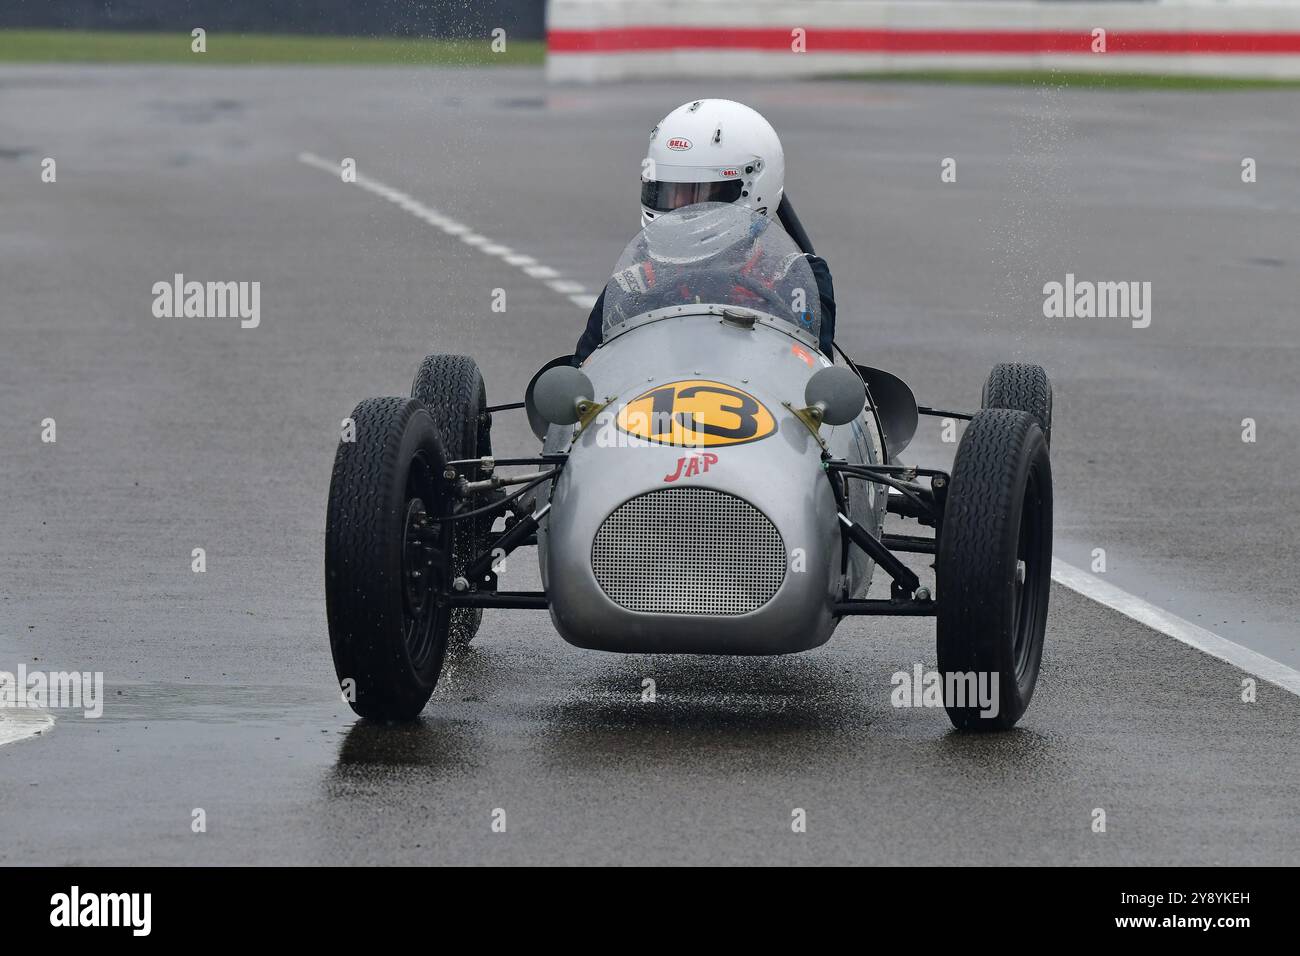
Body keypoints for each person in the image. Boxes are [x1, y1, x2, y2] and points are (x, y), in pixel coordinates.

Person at [574, 99, 837, 364]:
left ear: (752, 188)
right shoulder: (633, 287)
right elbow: (586, 380)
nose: (677, 209)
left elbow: (815, 381)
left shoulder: (794, 280)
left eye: (696, 195)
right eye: (668, 194)